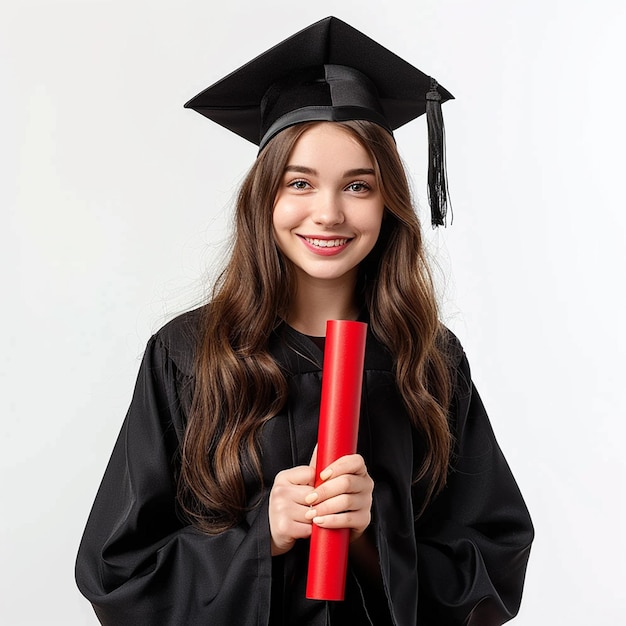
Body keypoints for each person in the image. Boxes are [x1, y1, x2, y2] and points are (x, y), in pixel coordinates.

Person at [75, 16, 534, 626]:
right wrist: (260, 536)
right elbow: (116, 573)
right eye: (300, 182)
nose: (329, 212)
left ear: (389, 202)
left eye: (358, 186)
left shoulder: (428, 359)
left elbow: (494, 566)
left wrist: (373, 537)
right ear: (265, 197)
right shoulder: (188, 355)